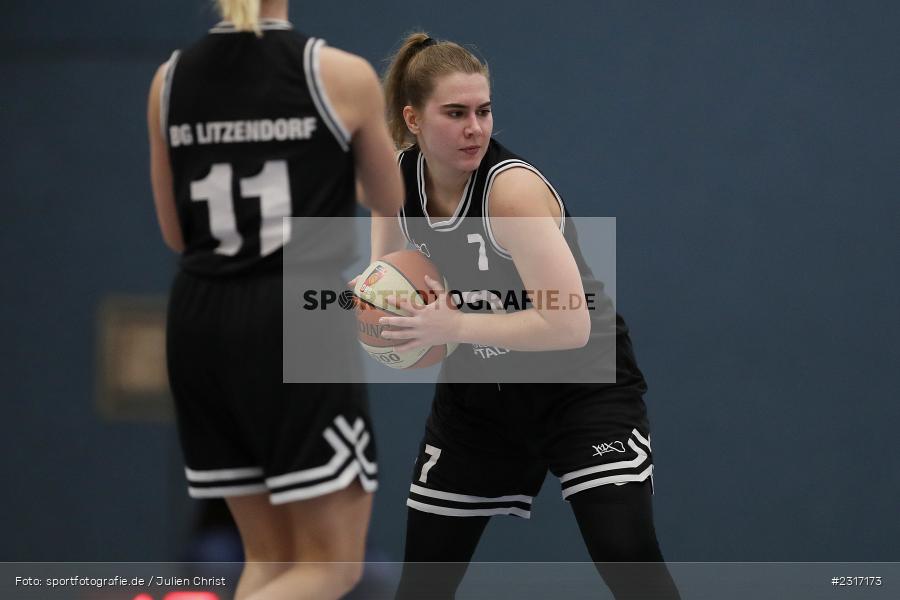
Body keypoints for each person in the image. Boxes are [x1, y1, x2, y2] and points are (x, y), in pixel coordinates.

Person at [371, 33, 681, 599]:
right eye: (456, 113)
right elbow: (388, 284)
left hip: (581, 387)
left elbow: (567, 325)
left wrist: (456, 324)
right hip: (480, 397)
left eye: (484, 111)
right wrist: (377, 317)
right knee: (423, 582)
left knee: (627, 558)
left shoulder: (510, 192)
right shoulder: (394, 182)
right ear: (413, 119)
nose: (475, 127)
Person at [146, 1, 403, 599]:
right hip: (294, 309)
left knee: (269, 559)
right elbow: (392, 202)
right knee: (334, 567)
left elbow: (176, 232)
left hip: (199, 314)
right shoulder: (337, 73)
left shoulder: (169, 79)